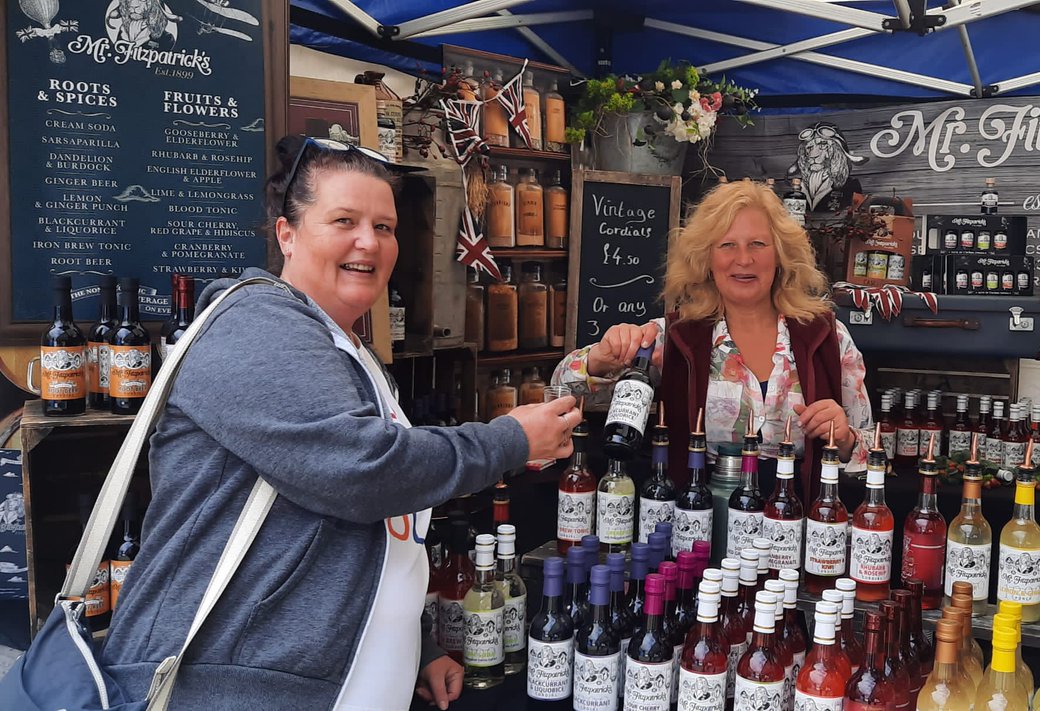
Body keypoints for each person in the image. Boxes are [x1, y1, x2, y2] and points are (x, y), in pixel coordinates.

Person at [100, 135, 581, 710]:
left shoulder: (344, 346)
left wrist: (414, 644)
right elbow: (360, 472)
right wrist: (511, 438)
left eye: (384, 226)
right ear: (287, 234)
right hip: (235, 689)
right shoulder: (257, 326)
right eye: (344, 220)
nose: (368, 242)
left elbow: (365, 526)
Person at [552, 179, 872, 504]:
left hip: (800, 524)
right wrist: (599, 360)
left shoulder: (828, 338)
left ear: (781, 255)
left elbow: (873, 452)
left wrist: (844, 438)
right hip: (697, 521)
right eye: (727, 245)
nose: (743, 259)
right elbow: (560, 394)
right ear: (706, 258)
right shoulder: (673, 338)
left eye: (758, 244)